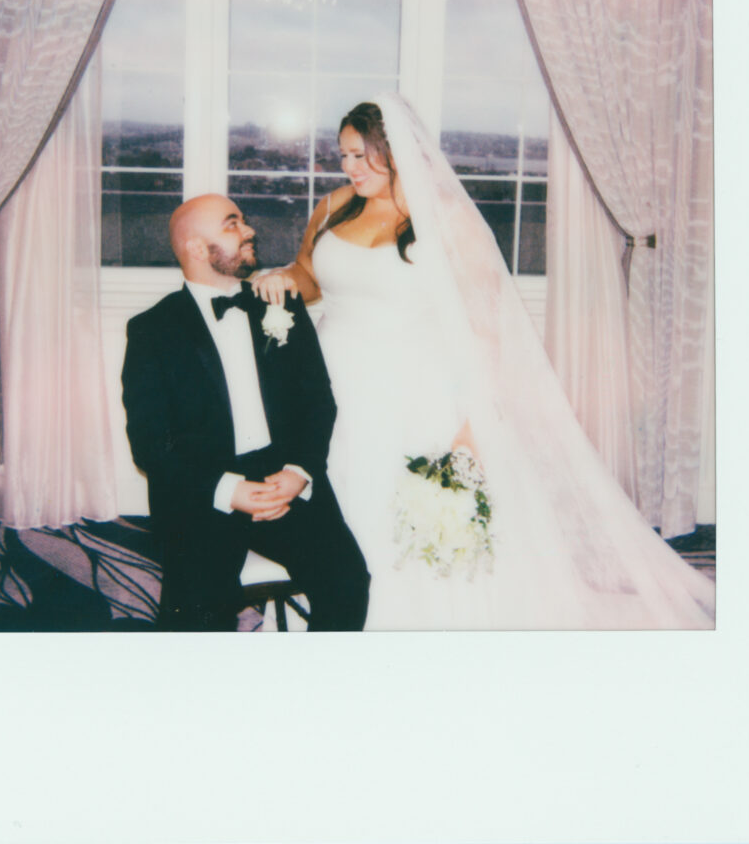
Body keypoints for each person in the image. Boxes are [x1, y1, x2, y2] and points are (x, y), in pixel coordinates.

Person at [253, 94, 715, 629]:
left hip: (413, 390)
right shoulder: (333, 207)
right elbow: (310, 274)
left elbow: (487, 330)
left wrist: (473, 423)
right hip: (332, 385)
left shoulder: (448, 221)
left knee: (406, 510)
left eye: (361, 156)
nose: (348, 168)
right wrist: (284, 275)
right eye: (344, 156)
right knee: (339, 503)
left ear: (397, 153)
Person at [121, 194, 369, 631]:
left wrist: (299, 471)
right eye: (232, 224)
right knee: (196, 614)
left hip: (282, 477)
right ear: (198, 248)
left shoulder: (280, 305)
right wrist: (227, 490)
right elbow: (149, 443)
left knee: (346, 582)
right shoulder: (152, 330)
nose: (250, 229)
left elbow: (318, 401)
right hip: (203, 487)